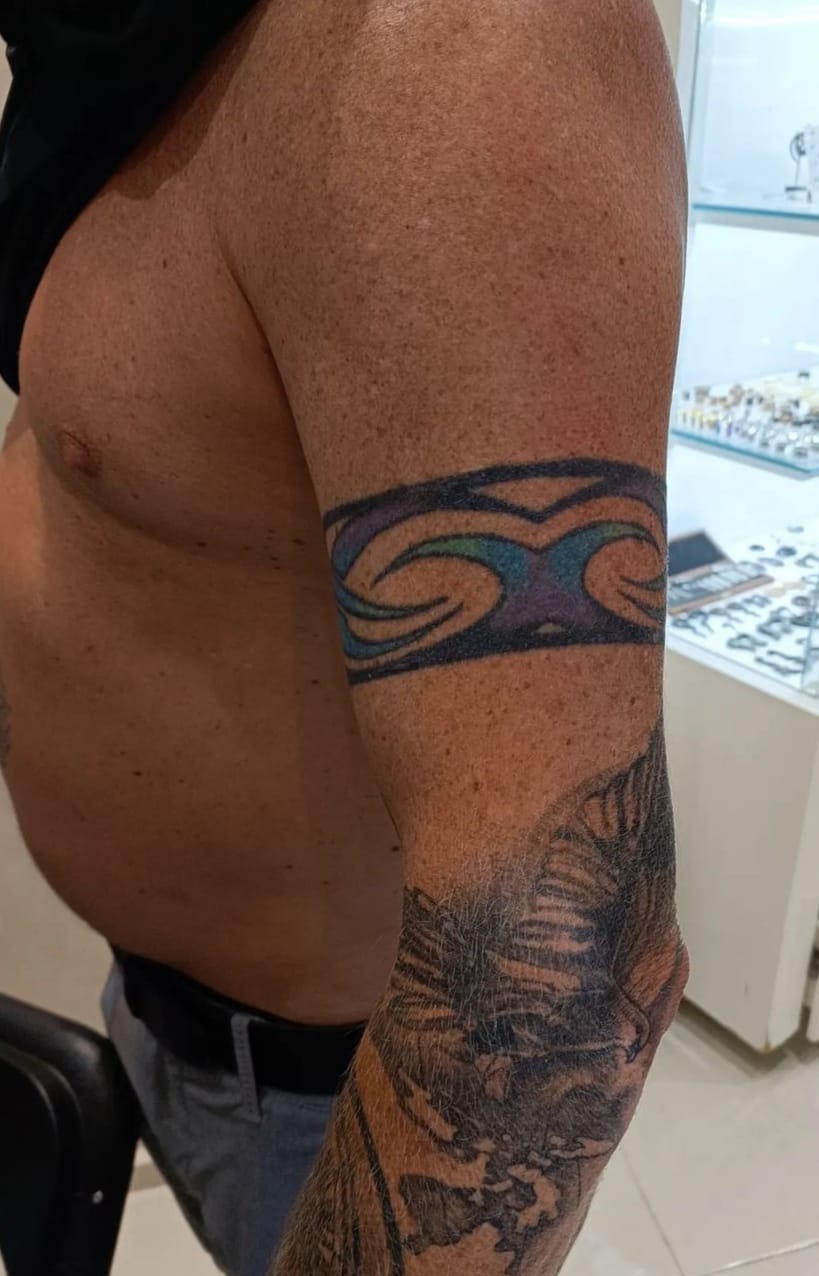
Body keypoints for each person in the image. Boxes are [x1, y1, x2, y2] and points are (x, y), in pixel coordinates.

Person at [0, 0, 689, 1272]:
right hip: (168, 1016)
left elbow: (556, 981)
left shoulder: (448, 48)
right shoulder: (107, 46)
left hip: (351, 1109)